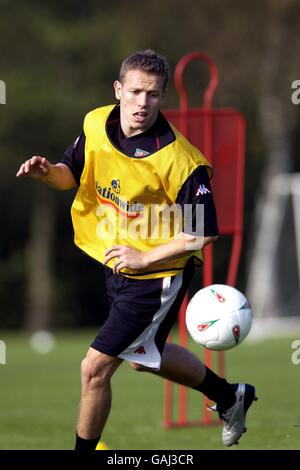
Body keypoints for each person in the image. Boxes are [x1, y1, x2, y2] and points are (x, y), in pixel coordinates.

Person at [16, 49, 256, 450]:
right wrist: (47, 174)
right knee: (141, 357)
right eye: (136, 92)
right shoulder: (96, 123)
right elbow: (69, 175)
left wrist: (144, 256)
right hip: (118, 265)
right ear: (118, 90)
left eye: (154, 95)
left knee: (94, 369)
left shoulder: (180, 160)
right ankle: (231, 396)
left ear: (164, 97)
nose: (143, 103)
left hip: (157, 275)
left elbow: (204, 233)